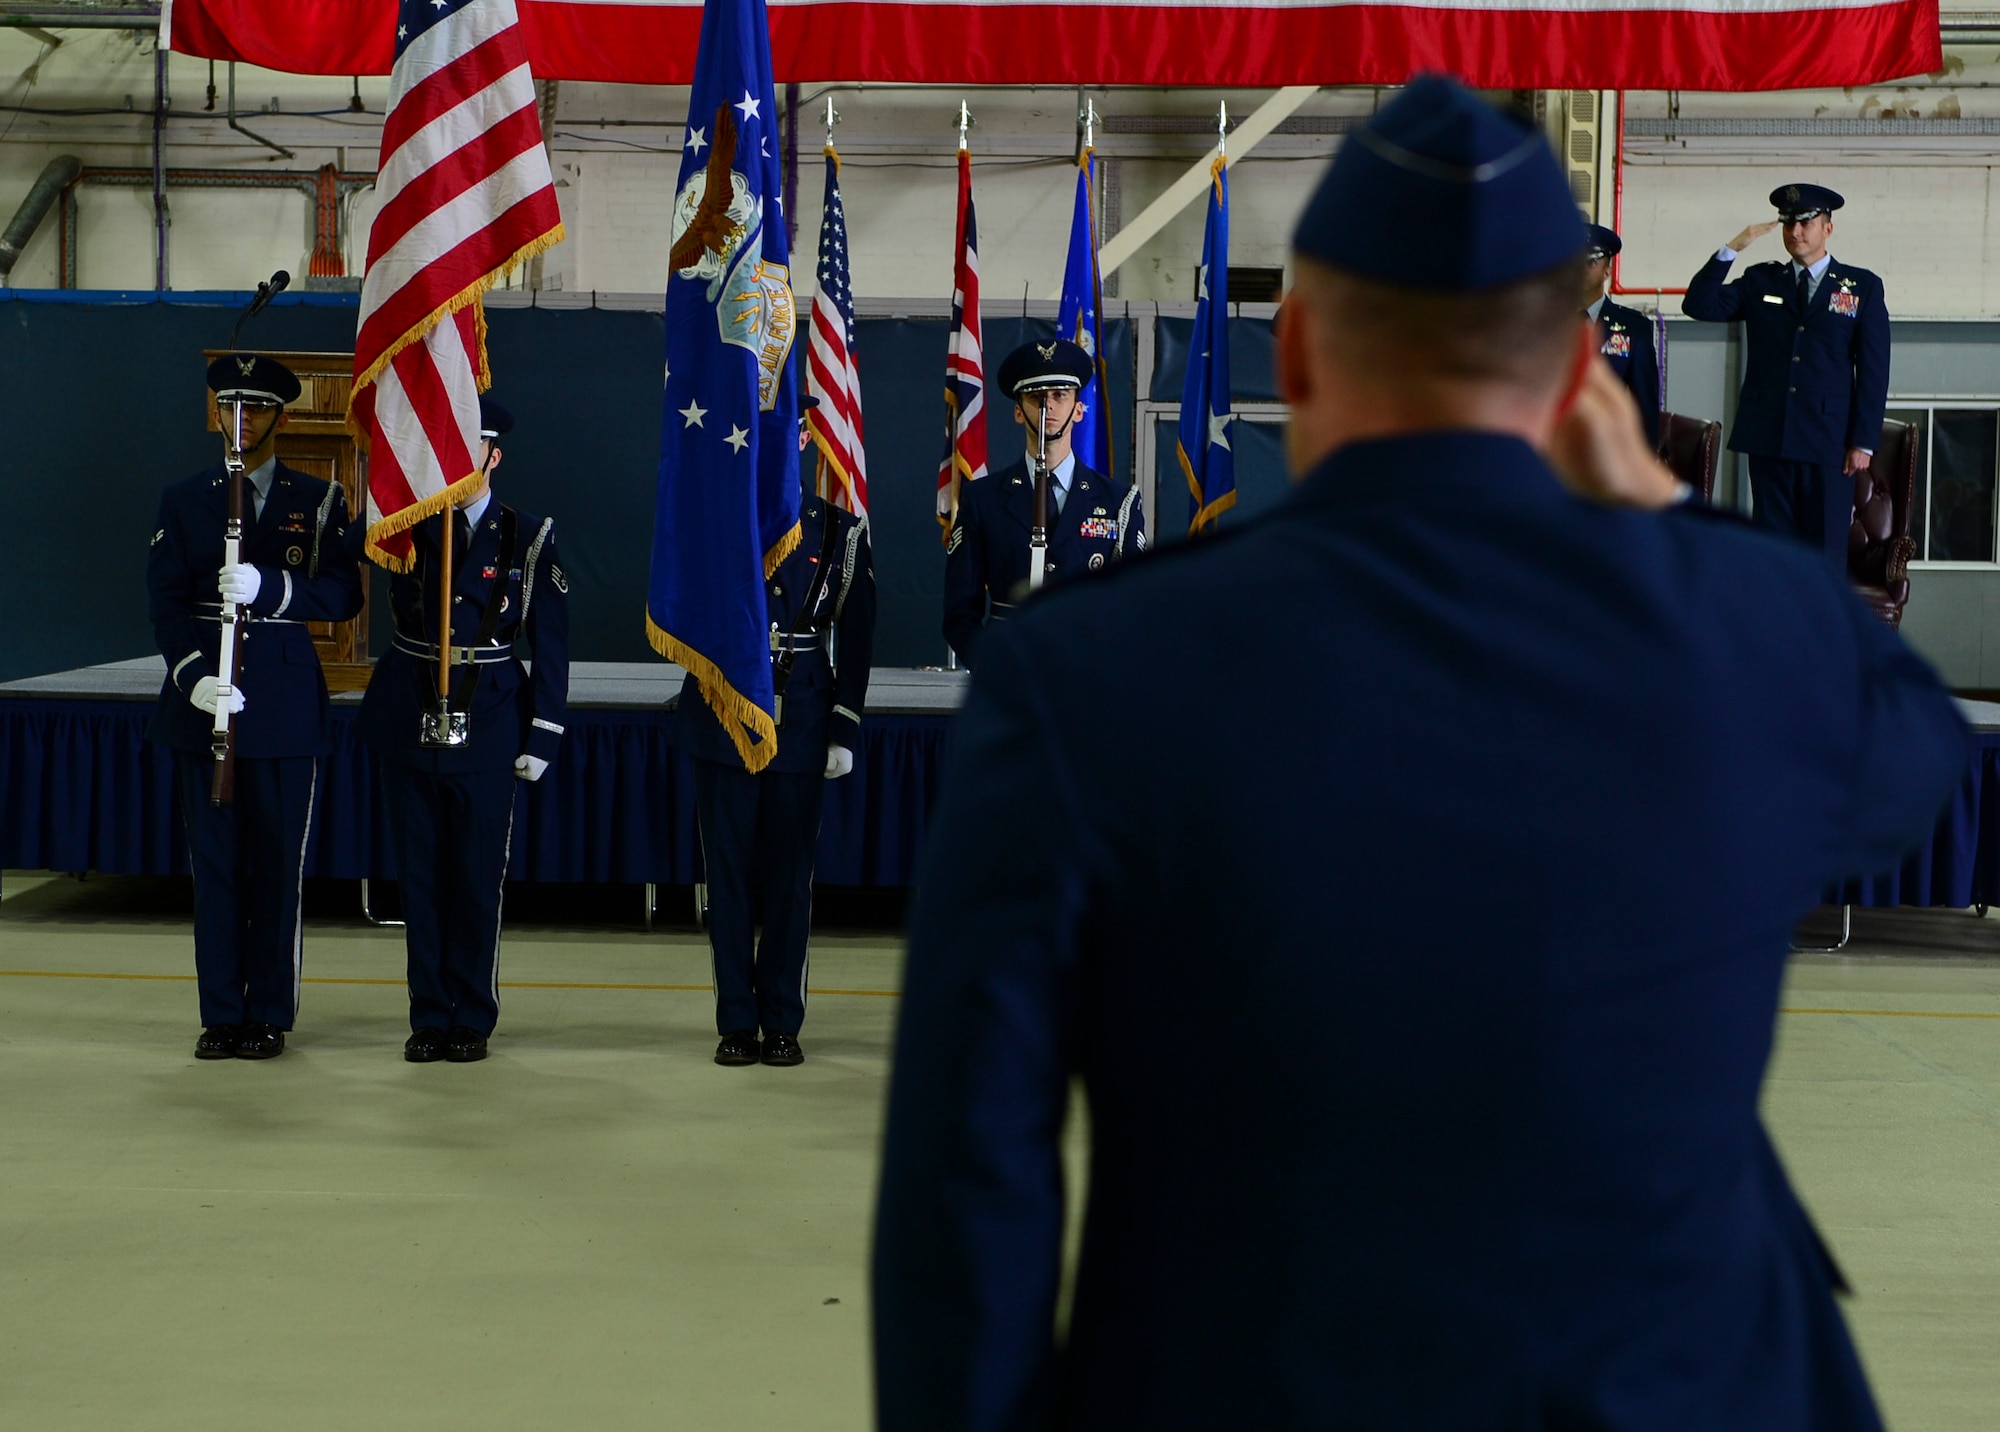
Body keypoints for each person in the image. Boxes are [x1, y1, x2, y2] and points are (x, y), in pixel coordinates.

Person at [873, 76, 1967, 1432]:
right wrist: (1649, 516)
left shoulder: (1082, 676)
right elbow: (1914, 755)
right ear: (1578, 374)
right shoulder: (1750, 637)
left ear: (1309, 351)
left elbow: (965, 1191)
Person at [147, 353, 364, 1061]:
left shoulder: (319, 498)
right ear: (214, 414)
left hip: (282, 699)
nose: (241, 423)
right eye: (229, 408)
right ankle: (220, 1012)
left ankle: (268, 1010)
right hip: (205, 698)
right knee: (213, 868)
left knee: (275, 868)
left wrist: (273, 588)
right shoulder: (183, 500)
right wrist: (192, 678)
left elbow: (344, 594)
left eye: (257, 409)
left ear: (283, 416)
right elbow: (166, 601)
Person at [353, 396, 569, 1065]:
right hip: (410, 713)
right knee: (418, 877)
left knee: (476, 879)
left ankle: (471, 1014)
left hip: (491, 721)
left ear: (493, 455)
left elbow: (552, 644)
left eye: (466, 445)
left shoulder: (526, 536)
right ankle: (428, 1014)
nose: (449, 457)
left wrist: (543, 734)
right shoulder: (404, 526)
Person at [673, 395, 876, 1068]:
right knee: (726, 876)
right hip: (724, 710)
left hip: (804, 716)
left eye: (785, 436)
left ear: (805, 444)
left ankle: (782, 1020)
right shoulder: (711, 523)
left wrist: (844, 724)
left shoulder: (837, 532)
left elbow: (859, 634)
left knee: (791, 880)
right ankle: (736, 1019)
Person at [1683, 184, 1890, 575]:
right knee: (1772, 552)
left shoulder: (1860, 287)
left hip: (1828, 443)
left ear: (1828, 228)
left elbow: (1874, 370)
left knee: (1824, 552)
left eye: (1807, 223)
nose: (1796, 232)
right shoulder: (1762, 280)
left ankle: (1821, 635)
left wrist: (1862, 440)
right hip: (1770, 437)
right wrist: (1733, 248)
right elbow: (1699, 304)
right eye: (1789, 224)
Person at [942, 338, 1145, 666]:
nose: (1048, 406)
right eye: (1037, 398)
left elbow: (1134, 604)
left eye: (1060, 396)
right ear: (1019, 412)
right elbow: (959, 611)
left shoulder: (1118, 501)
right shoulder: (983, 500)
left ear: (1078, 410)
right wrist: (993, 669)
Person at [1582, 222, 1662, 450]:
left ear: (1607, 270)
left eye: (1590, 261)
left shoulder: (1631, 328)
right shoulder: (1544, 322)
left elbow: (1644, 404)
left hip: (1605, 449)